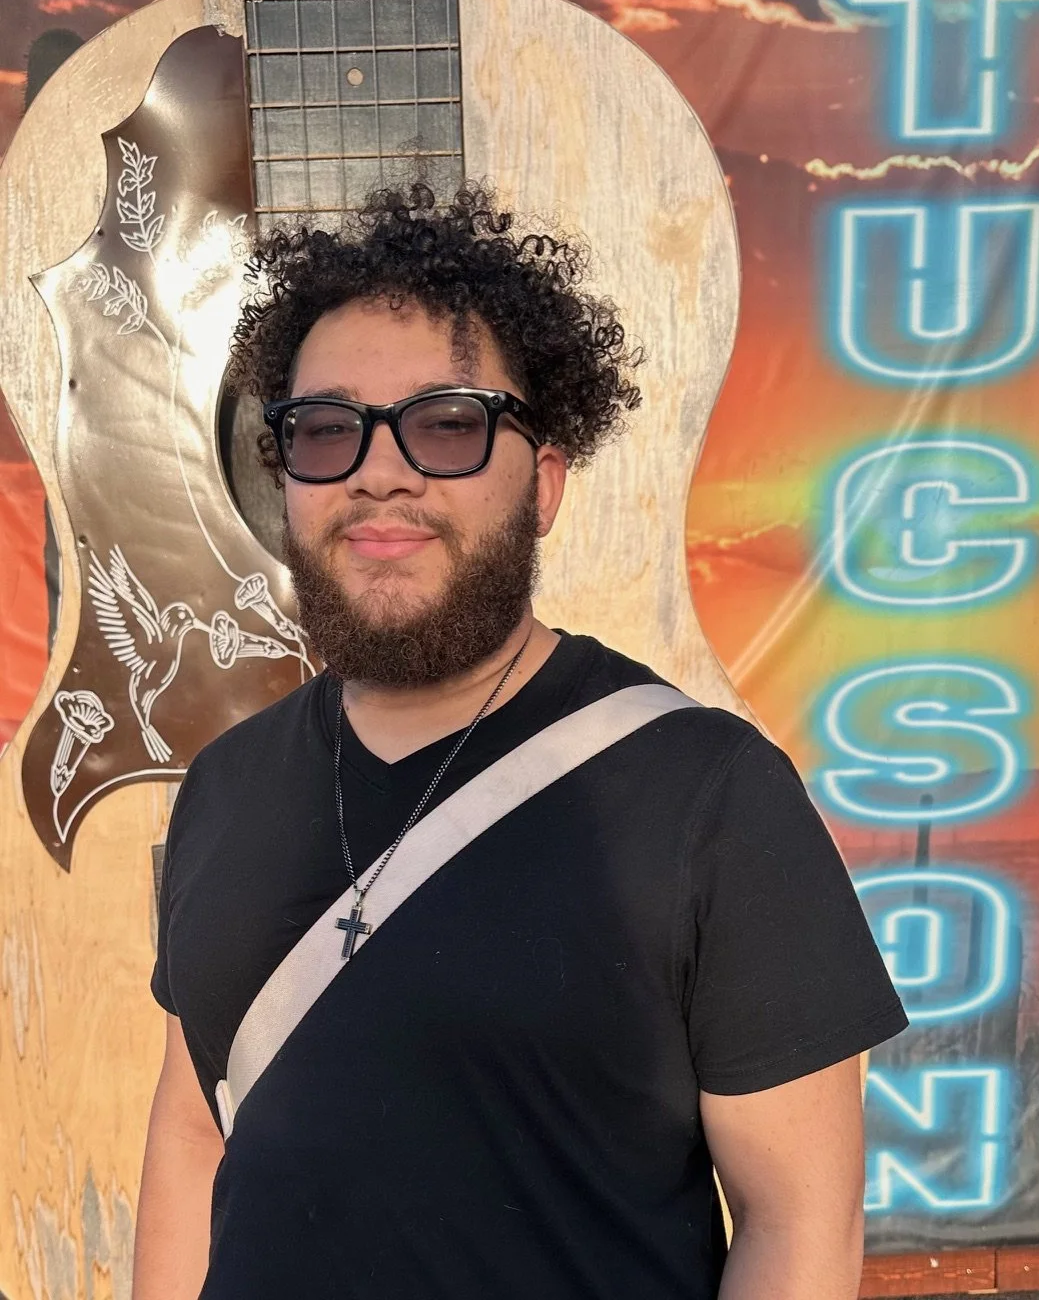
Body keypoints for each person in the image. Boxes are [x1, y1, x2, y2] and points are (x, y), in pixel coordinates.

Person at [133, 183, 907, 1300]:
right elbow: (193, 1130)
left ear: (542, 484)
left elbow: (798, 1226)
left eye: (447, 424)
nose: (378, 471)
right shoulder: (224, 785)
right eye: (327, 429)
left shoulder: (707, 795)